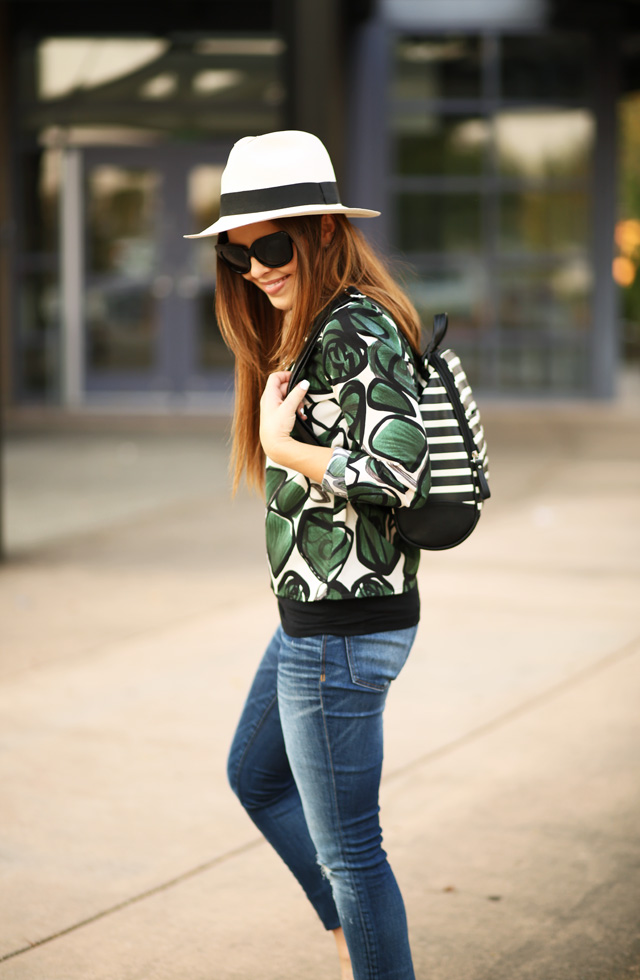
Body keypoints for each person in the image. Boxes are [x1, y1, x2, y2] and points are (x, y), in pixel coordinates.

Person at [186, 131, 430, 980]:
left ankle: (363, 949)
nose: (256, 267)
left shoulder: (355, 325)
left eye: (274, 244)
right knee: (254, 776)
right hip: (314, 626)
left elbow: (399, 471)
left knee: (354, 853)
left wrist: (281, 448)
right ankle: (346, 937)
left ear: (325, 230)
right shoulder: (314, 323)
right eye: (238, 251)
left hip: (341, 636)